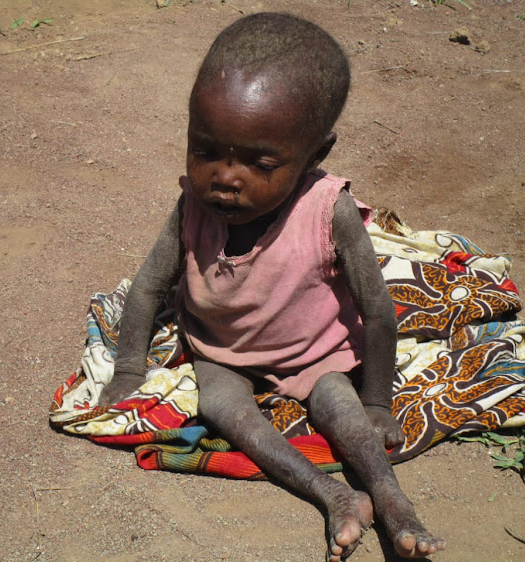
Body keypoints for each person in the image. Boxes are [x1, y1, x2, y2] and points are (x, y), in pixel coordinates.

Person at [99, 12, 445, 560]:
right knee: (222, 406)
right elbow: (146, 289)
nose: (225, 178)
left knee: (343, 410)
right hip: (222, 348)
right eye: (205, 149)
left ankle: (393, 501)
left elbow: (377, 310)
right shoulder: (193, 204)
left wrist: (378, 398)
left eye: (259, 162)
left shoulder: (327, 211)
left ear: (315, 155)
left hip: (314, 350)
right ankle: (331, 495)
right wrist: (129, 369)